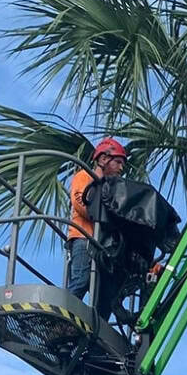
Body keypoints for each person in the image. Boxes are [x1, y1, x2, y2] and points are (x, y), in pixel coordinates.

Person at [66, 137, 126, 319]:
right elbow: (80, 203)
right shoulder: (84, 177)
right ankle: (61, 318)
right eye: (117, 162)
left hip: (103, 247)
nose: (121, 168)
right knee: (81, 280)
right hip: (84, 237)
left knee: (103, 293)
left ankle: (97, 328)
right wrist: (103, 217)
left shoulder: (111, 189)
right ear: (103, 159)